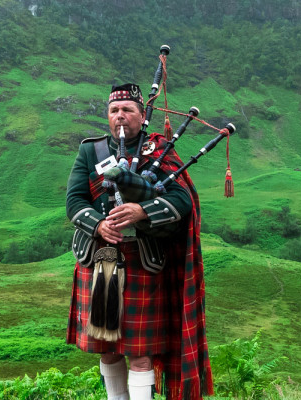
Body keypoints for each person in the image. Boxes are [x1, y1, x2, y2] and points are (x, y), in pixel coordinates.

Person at [66, 83, 213, 400]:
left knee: (140, 351)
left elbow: (182, 201)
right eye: (114, 111)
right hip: (99, 257)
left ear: (140, 115)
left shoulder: (159, 151)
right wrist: (100, 225)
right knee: (107, 348)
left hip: (143, 260)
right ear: (108, 116)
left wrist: (140, 211)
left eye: (127, 110)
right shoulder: (90, 151)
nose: (120, 116)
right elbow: (75, 202)